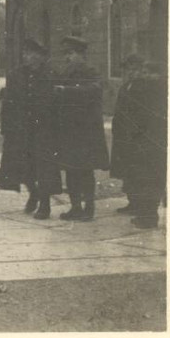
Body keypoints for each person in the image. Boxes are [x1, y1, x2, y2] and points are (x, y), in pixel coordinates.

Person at [0, 38, 62, 218]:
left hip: (43, 130)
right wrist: (6, 127)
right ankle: (33, 192)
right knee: (22, 168)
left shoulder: (50, 75)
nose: (26, 57)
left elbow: (56, 104)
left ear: (41, 57)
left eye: (30, 54)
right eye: (25, 53)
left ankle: (45, 205)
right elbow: (8, 103)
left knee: (44, 168)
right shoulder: (17, 74)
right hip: (21, 130)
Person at [49, 35, 109, 222]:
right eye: (66, 54)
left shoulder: (90, 71)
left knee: (85, 170)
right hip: (68, 130)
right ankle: (75, 207)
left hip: (85, 131)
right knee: (70, 169)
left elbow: (94, 91)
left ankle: (89, 208)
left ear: (81, 54)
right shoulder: (66, 72)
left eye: (71, 53)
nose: (68, 57)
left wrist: (66, 91)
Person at [111, 58, 167, 228]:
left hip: (149, 141)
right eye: (145, 72)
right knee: (139, 176)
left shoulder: (153, 89)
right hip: (137, 138)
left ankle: (148, 216)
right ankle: (143, 211)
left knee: (148, 179)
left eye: (148, 72)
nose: (145, 75)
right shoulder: (137, 87)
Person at [109, 54, 147, 215]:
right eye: (129, 70)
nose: (131, 73)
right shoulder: (126, 86)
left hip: (136, 136)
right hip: (124, 135)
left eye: (135, 70)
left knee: (138, 170)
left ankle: (140, 203)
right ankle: (132, 201)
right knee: (127, 170)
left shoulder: (144, 88)